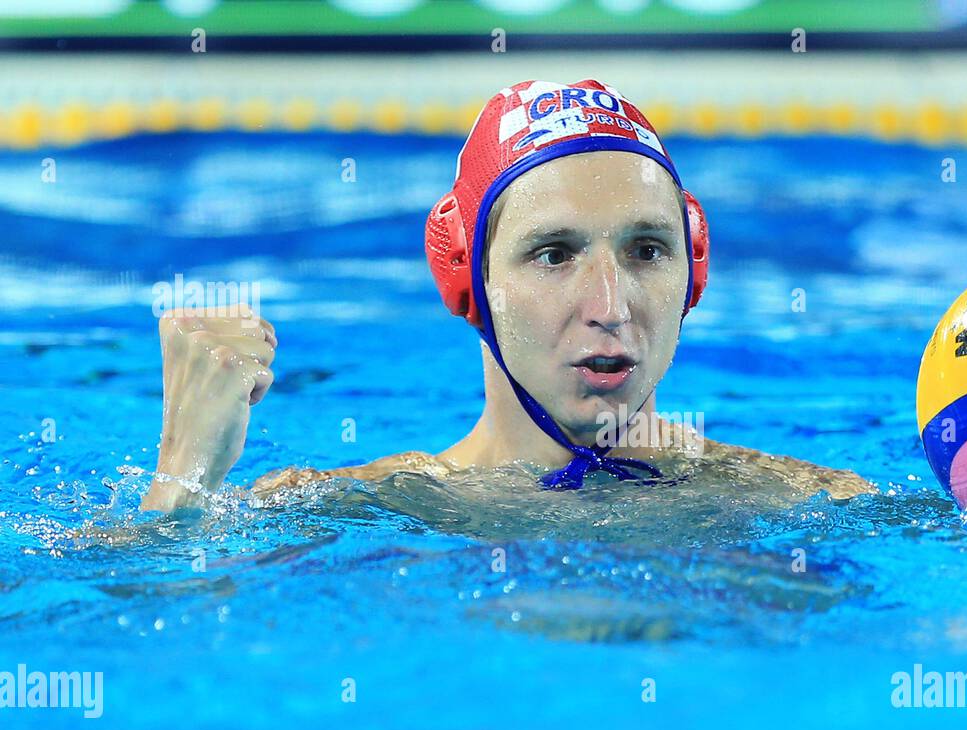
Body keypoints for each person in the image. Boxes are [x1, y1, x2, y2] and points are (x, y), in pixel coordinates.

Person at [141, 78, 877, 514]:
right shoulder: (358, 508)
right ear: (469, 280)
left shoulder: (812, 502)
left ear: (695, 271)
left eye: (647, 249)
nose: (612, 305)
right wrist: (183, 475)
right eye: (553, 254)